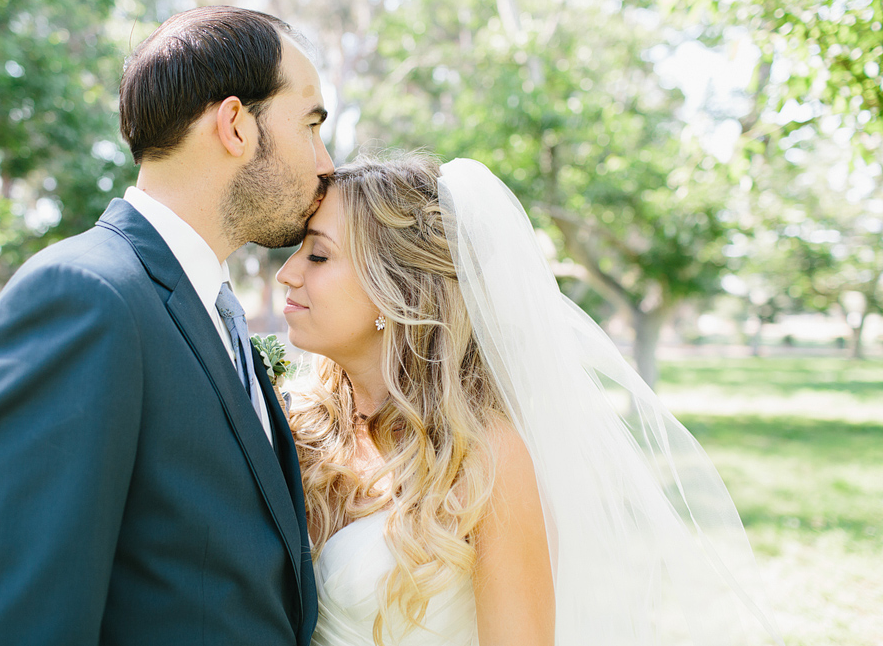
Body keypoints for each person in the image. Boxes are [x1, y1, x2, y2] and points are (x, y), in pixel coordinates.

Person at [0, 6, 334, 645]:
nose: (326, 161)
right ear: (234, 125)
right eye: (310, 125)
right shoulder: (82, 298)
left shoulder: (211, 314)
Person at [279, 153, 781, 645]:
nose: (288, 273)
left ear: (398, 289)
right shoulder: (294, 422)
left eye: (318, 255)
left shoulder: (484, 458)